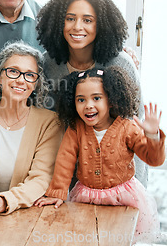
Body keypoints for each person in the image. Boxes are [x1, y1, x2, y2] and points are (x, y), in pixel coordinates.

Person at [34, 67, 165, 243]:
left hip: (124, 199)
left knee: (119, 239)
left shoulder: (127, 127)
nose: (88, 105)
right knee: (85, 239)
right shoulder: (76, 128)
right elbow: (65, 160)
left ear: (111, 100)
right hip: (86, 198)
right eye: (81, 99)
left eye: (96, 98)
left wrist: (152, 136)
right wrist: (56, 193)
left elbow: (154, 160)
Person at [35, 0, 148, 186]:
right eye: (70, 18)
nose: (77, 27)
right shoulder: (48, 65)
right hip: (63, 170)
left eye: (88, 20)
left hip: (117, 178)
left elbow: (136, 124)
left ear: (101, 25)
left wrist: (137, 186)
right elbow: (44, 123)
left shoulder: (121, 64)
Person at [0, 41, 63, 216]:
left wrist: (4, 201)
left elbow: (41, 178)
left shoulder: (50, 122)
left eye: (30, 75)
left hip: (30, 215)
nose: (20, 80)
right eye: (13, 71)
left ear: (36, 84)